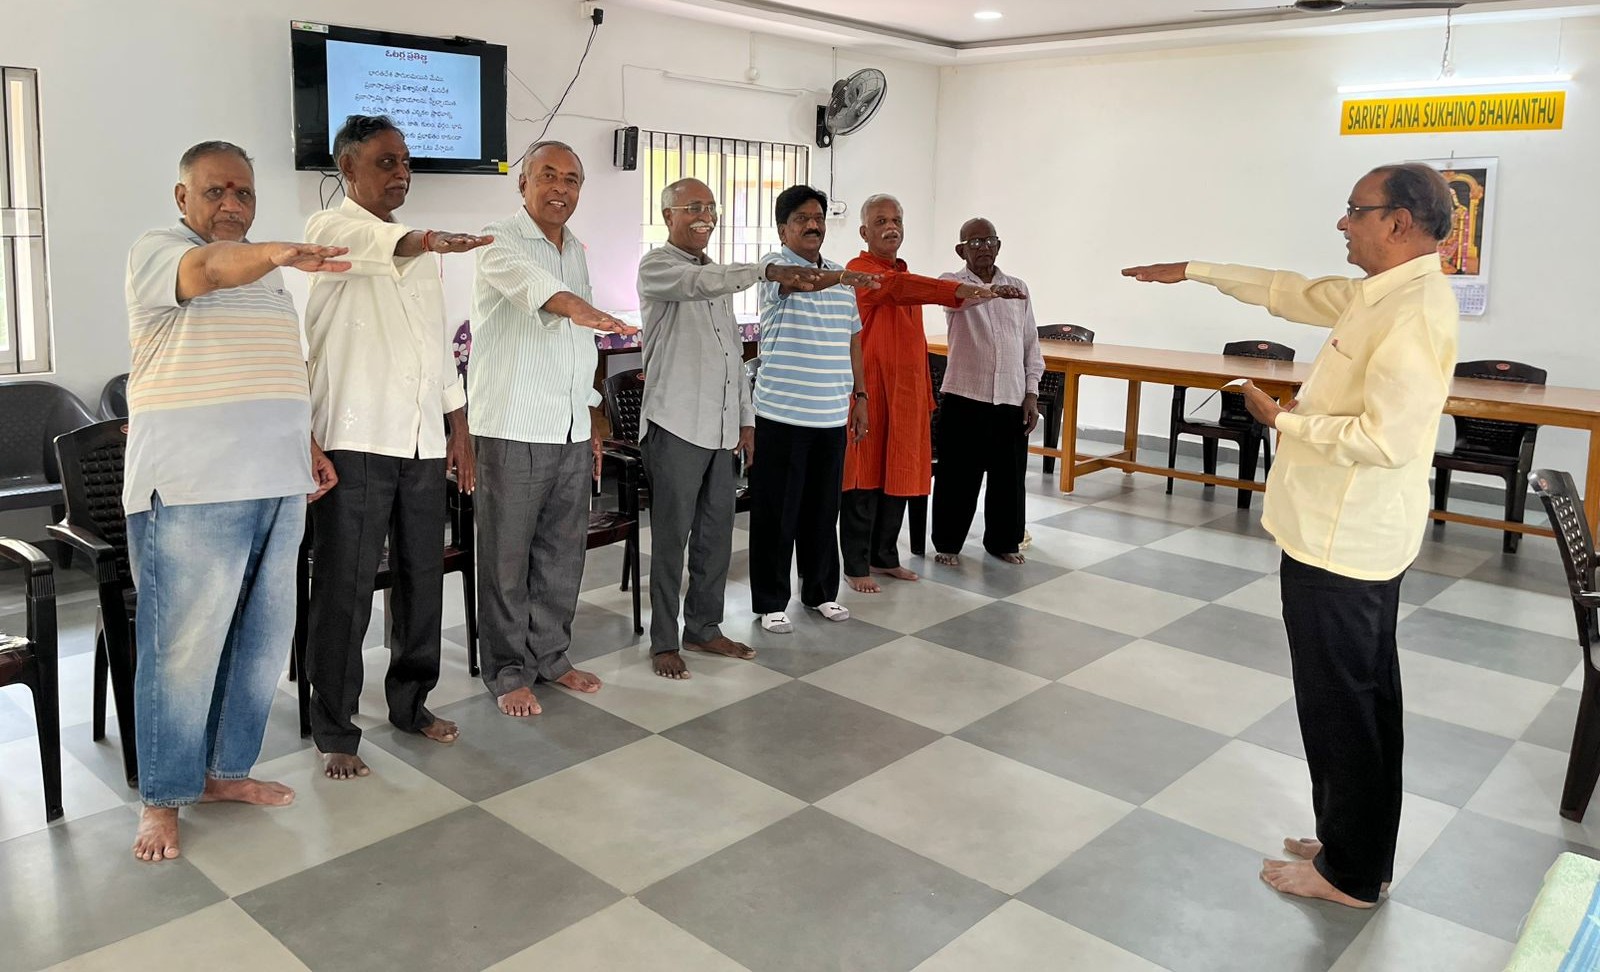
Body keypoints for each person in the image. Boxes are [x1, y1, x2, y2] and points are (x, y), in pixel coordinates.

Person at [1122, 162, 1460, 909]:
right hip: (1346, 535)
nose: (1343, 222)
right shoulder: (1388, 293)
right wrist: (1195, 272)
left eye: (1355, 211)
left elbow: (1391, 437)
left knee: (1343, 704)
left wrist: (1285, 422)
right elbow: (1291, 291)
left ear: (1399, 222)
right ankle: (1352, 841)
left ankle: (1349, 874)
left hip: (1344, 544)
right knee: (1361, 701)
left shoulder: (1413, 312)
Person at [124, 141, 346, 861]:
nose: (232, 206)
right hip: (192, 488)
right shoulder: (163, 251)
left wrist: (305, 442)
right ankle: (163, 796)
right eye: (216, 191)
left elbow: (282, 365)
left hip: (276, 482)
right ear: (182, 197)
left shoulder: (266, 276)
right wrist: (282, 253)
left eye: (244, 194)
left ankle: (222, 773)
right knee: (184, 650)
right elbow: (210, 271)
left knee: (256, 648)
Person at [302, 115, 493, 779]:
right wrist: (430, 239)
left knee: (421, 578)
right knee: (346, 589)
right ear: (347, 169)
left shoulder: (417, 254)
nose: (401, 172)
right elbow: (375, 245)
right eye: (385, 161)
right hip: (354, 437)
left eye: (405, 161)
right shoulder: (330, 229)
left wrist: (458, 428)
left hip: (418, 438)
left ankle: (411, 703)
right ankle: (334, 729)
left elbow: (437, 349)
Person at [636, 178, 827, 678]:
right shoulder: (658, 266)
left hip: (721, 431)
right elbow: (701, 283)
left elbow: (732, 359)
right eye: (692, 207)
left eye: (710, 207)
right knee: (672, 539)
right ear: (667, 215)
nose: (705, 215)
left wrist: (746, 419)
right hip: (676, 424)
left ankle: (703, 627)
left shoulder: (716, 276)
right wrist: (765, 269)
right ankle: (663, 641)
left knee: (716, 536)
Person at [472, 140, 636, 716]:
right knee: (505, 559)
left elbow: (580, 344)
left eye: (571, 179)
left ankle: (551, 656)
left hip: (568, 427)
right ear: (523, 184)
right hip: (513, 424)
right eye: (548, 175)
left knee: (563, 553)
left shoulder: (578, 251)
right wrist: (584, 309)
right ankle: (506, 669)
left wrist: (593, 415)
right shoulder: (499, 240)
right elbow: (540, 295)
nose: (560, 188)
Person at [839, 195, 997, 593]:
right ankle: (856, 564)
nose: (891, 227)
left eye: (896, 219)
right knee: (864, 478)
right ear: (864, 232)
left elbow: (913, 336)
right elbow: (897, 289)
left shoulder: (906, 274)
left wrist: (926, 396)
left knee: (901, 475)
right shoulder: (860, 272)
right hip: (869, 392)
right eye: (881, 221)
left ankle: (885, 557)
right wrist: (958, 289)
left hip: (908, 393)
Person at [747, 185, 879, 633]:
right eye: (802, 218)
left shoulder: (842, 278)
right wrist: (842, 279)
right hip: (782, 413)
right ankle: (770, 601)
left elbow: (853, 339)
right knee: (776, 513)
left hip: (828, 414)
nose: (813, 224)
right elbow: (802, 282)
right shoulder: (775, 270)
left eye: (818, 217)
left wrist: (859, 397)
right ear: (783, 228)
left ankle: (820, 592)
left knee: (823, 511)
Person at [931, 217, 1041, 567]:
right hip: (965, 396)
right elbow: (955, 302)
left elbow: (1030, 344)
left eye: (989, 240)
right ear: (960, 249)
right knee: (957, 477)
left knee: (1009, 479)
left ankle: (1004, 542)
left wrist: (1031, 393)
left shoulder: (1018, 287)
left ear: (999, 245)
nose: (983, 248)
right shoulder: (951, 283)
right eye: (974, 242)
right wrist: (991, 293)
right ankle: (948, 544)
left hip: (1010, 397)